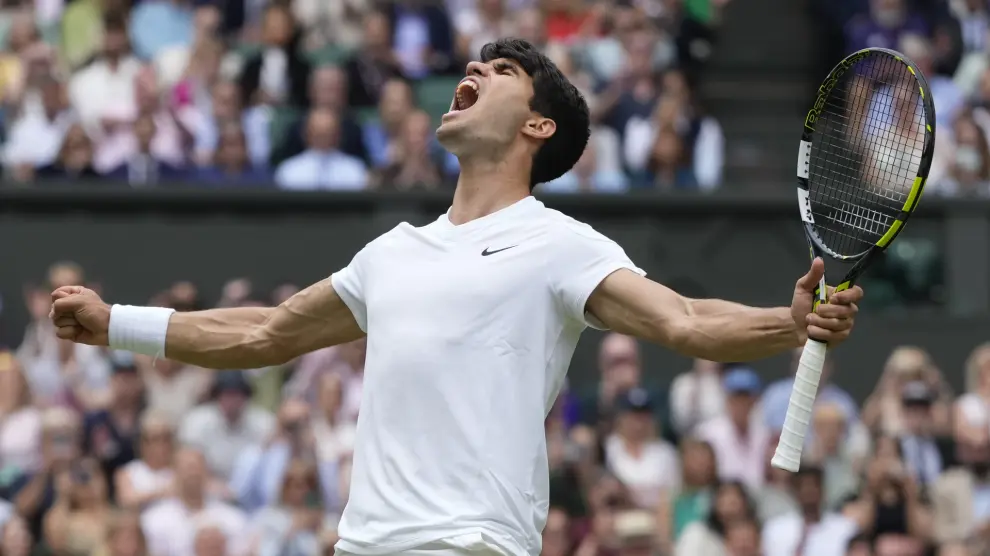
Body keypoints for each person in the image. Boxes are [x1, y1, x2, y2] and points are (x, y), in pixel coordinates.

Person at [48, 38, 864, 556]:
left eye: (501, 70)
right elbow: (263, 331)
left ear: (537, 128)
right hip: (362, 546)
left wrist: (786, 323)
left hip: (469, 545)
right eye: (475, 63)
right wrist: (118, 325)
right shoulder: (391, 254)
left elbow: (685, 320)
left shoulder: (561, 244)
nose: (471, 69)